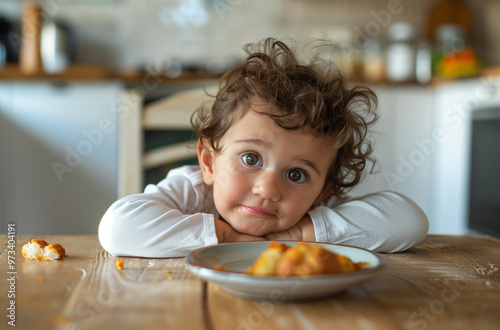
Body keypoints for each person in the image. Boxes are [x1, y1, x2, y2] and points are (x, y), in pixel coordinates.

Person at [99, 38, 428, 258]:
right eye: (251, 158)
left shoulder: (314, 212)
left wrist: (301, 234)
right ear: (210, 162)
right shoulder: (192, 191)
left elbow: (408, 221)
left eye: (296, 174)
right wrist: (226, 238)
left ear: (321, 193)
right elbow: (117, 229)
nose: (268, 189)